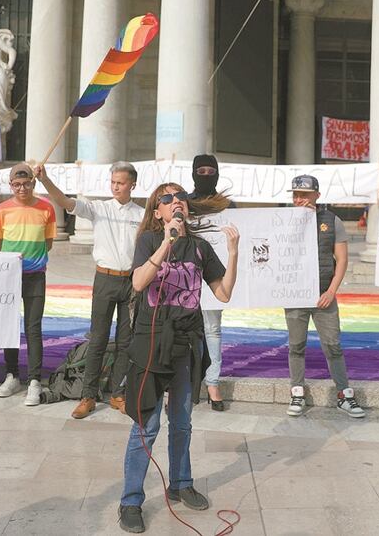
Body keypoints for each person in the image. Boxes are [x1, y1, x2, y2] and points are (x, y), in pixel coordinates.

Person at [118, 183, 238, 534]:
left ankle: (181, 483)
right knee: (147, 425)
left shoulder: (200, 248)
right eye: (166, 200)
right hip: (151, 344)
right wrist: (166, 243)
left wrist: (233, 252)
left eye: (179, 197)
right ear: (157, 212)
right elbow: (139, 283)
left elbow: (224, 293)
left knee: (182, 420)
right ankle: (130, 500)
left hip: (186, 344)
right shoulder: (148, 242)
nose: (175, 203)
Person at [36, 161, 143, 419]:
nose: (116, 187)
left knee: (126, 342)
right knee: (97, 339)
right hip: (104, 279)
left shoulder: (142, 214)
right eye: (113, 182)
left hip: (132, 281)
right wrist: (45, 180)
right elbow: (65, 202)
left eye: (121, 182)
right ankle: (88, 395)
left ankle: (118, 393)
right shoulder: (99, 208)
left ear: (133, 184)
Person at [282, 175, 366, 419]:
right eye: (295, 195)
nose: (299, 199)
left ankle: (343, 394)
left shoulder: (332, 221)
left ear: (317, 196)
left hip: (323, 294)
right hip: (295, 294)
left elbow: (342, 259)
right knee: (296, 345)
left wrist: (331, 291)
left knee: (333, 345)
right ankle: (296, 391)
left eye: (304, 195)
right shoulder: (283, 221)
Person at [0, 163, 55, 406]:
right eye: (17, 184)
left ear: (33, 182)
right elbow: (0, 243)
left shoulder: (47, 209)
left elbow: (48, 242)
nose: (22, 188)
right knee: (9, 327)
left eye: (26, 183)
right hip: (9, 275)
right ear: (10, 185)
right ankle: (11, 375)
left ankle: (34, 380)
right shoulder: (1, 210)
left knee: (33, 327)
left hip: (35, 275)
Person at [189, 154, 230, 411]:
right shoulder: (184, 201)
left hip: (214, 274)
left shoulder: (226, 205)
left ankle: (212, 382)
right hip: (186, 274)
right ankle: (179, 383)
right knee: (182, 331)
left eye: (210, 170)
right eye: (200, 171)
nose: (205, 175)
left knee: (212, 329)